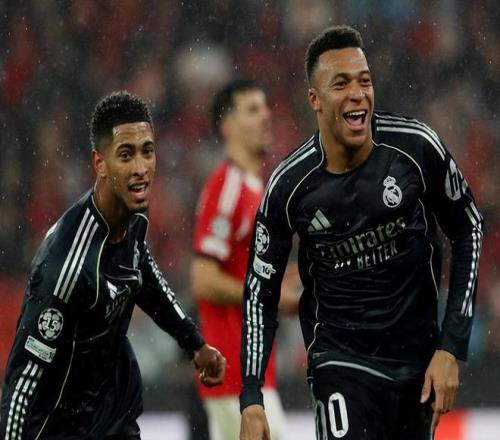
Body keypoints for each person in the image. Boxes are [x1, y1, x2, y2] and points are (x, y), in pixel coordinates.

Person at [239, 25, 483, 440]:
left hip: (416, 364)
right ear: (314, 99)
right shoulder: (289, 187)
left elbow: (468, 229)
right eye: (341, 84)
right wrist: (251, 396)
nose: (357, 93)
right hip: (340, 362)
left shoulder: (416, 148)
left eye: (364, 81)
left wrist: (451, 347)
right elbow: (259, 292)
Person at [0, 91, 226, 440]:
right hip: (63, 428)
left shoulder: (133, 215)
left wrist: (194, 342)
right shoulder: (67, 267)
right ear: (99, 163)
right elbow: (25, 377)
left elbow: (142, 270)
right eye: (125, 155)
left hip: (114, 416)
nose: (140, 168)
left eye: (147, 151)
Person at [190, 79, 297, 440]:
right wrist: (269, 297)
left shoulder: (256, 189)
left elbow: (248, 273)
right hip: (233, 370)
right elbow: (203, 279)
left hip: (252, 373)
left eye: (265, 107)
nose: (266, 116)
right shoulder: (227, 186)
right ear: (227, 127)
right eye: (252, 109)